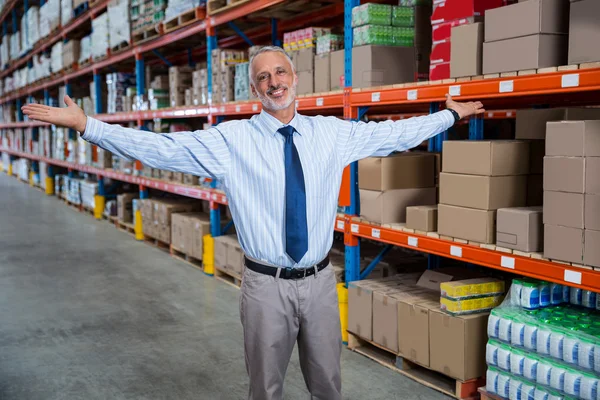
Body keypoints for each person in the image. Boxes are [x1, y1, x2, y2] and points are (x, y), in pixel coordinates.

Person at [22, 46, 485, 400]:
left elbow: (392, 135)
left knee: (328, 383)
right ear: (254, 90)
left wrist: (447, 115)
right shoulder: (231, 141)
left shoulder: (332, 133)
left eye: (280, 72)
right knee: (265, 388)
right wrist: (89, 126)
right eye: (262, 77)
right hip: (266, 287)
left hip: (322, 281)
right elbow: (161, 148)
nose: (273, 82)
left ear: (295, 79)